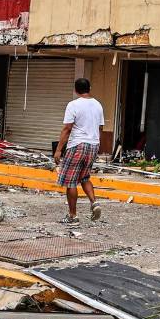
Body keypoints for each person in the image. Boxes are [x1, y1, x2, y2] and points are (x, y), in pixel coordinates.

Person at [54, 78, 104, 224]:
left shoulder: (73, 105)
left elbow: (67, 129)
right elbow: (100, 128)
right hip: (93, 145)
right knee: (85, 177)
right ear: (90, 88)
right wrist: (95, 143)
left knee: (70, 182)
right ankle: (94, 202)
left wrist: (58, 150)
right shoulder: (98, 105)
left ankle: (72, 215)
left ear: (75, 90)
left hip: (77, 145)